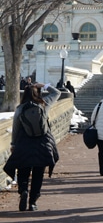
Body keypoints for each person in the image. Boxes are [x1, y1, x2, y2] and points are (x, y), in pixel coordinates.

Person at [4, 82, 60, 211]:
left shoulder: (20, 108)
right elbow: (57, 93)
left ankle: (23, 190)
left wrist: (13, 144)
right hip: (42, 144)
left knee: (23, 171)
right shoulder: (44, 103)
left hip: (24, 144)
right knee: (38, 174)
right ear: (37, 93)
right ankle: (33, 202)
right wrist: (44, 85)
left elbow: (16, 129)